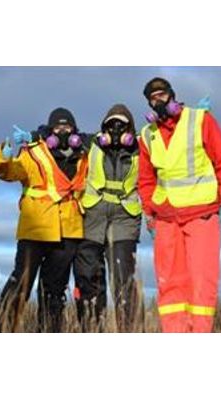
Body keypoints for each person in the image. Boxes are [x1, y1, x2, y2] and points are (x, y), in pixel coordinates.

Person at [138, 77, 221, 333]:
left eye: (162, 95)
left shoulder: (200, 120)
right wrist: (149, 215)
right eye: (153, 99)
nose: (158, 101)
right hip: (166, 218)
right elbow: (146, 180)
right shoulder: (147, 135)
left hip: (201, 215)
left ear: (172, 96)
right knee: (169, 283)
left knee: (202, 280)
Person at [0, 108, 88, 332]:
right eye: (58, 127)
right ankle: (2, 330)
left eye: (67, 127)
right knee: (21, 282)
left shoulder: (84, 154)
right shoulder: (33, 150)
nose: (63, 131)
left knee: (54, 291)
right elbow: (10, 172)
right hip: (35, 227)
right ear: (49, 130)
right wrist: (4, 158)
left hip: (67, 230)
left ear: (75, 131)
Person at [73, 104, 143, 332]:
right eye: (110, 125)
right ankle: (92, 329)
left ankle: (131, 331)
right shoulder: (91, 143)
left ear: (130, 129)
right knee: (88, 278)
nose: (115, 130)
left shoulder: (142, 147)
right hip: (92, 218)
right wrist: (37, 135)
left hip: (125, 219)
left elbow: (168, 140)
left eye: (121, 125)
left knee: (124, 280)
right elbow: (62, 134)